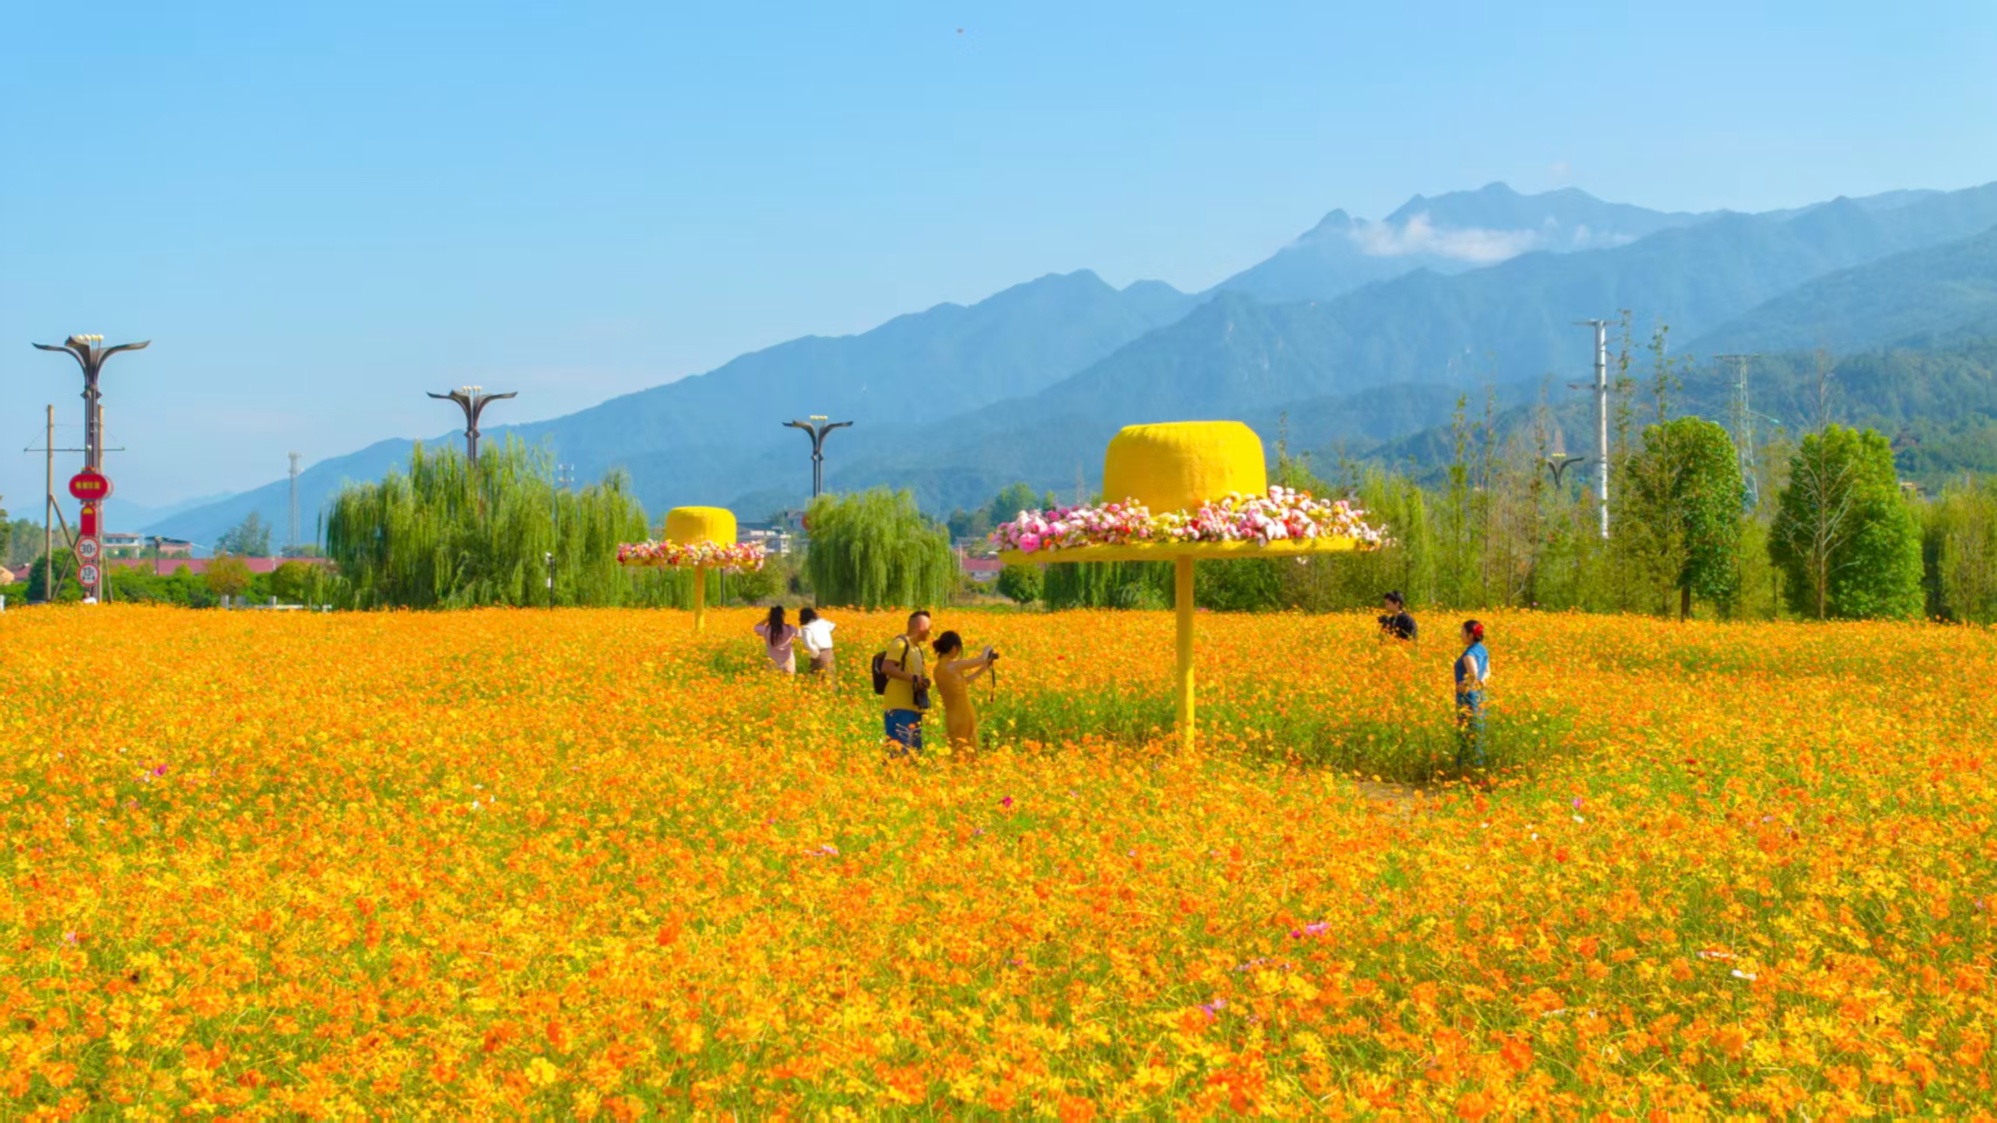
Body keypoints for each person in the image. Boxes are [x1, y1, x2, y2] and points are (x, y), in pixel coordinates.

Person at [930, 630, 997, 752]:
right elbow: (981, 659)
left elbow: (963, 683)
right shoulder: (953, 665)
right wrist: (988, 648)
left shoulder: (938, 669)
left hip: (951, 717)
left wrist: (984, 668)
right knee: (967, 750)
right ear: (954, 648)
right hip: (964, 715)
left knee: (957, 750)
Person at [877, 610, 932, 753]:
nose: (929, 632)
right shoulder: (900, 644)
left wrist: (923, 681)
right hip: (899, 706)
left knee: (914, 754)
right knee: (899, 752)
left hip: (913, 707)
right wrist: (914, 679)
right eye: (928, 628)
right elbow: (887, 668)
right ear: (920, 626)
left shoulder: (917, 649)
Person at [1454, 619, 1491, 771]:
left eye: (1462, 632)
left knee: (1466, 731)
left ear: (1470, 635)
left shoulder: (1469, 654)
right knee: (1478, 730)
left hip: (1468, 697)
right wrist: (1482, 681)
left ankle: (1465, 767)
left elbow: (1473, 673)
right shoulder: (1482, 650)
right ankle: (1478, 765)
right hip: (1481, 695)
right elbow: (1487, 672)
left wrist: (1464, 685)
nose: (1460, 635)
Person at [752, 605, 800, 674]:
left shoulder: (766, 629)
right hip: (788, 662)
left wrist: (767, 618)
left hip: (772, 663)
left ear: (771, 616)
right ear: (783, 616)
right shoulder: (790, 628)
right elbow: (799, 634)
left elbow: (756, 627)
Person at [798, 607, 836, 678]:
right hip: (829, 652)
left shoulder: (806, 628)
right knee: (829, 676)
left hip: (819, 654)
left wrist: (815, 654)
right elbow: (833, 626)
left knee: (818, 677)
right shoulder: (822, 622)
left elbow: (808, 645)